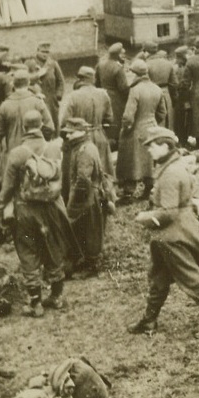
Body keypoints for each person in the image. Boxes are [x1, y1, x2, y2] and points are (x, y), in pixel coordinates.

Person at [127, 126, 199, 336]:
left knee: (190, 277)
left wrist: (144, 218)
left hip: (173, 234)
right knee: (159, 278)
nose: (150, 151)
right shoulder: (171, 165)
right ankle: (149, 320)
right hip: (174, 231)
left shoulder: (171, 173)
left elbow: (169, 212)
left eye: (153, 146)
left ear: (165, 146)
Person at [0, 109, 76, 317]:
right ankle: (56, 297)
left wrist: (0, 208)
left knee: (28, 250)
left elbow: (8, 186)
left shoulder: (18, 153)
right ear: (41, 126)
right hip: (52, 207)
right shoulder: (54, 148)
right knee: (54, 247)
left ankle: (35, 303)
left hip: (26, 210)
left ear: (23, 127)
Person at [61, 116, 112, 277]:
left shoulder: (84, 151)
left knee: (91, 231)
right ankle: (84, 260)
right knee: (84, 230)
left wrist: (74, 205)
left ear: (82, 132)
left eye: (71, 133)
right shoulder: (83, 147)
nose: (67, 136)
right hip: (88, 197)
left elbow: (83, 180)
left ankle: (91, 266)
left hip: (88, 198)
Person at [117, 59, 169, 200]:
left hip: (136, 129)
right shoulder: (156, 89)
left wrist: (126, 128)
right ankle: (149, 189)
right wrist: (153, 123)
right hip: (151, 128)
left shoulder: (135, 90)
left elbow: (128, 115)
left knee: (131, 160)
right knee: (149, 160)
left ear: (136, 74)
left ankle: (129, 192)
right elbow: (162, 112)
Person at [0, 68, 54, 181]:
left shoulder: (5, 105)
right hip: (35, 153)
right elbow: (50, 127)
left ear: (13, 85)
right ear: (28, 83)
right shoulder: (37, 102)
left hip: (13, 152)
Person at [58, 66, 115, 178]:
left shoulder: (72, 96)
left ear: (80, 79)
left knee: (79, 174)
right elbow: (109, 119)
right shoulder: (103, 94)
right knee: (101, 174)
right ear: (93, 79)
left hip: (78, 139)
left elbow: (64, 123)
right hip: (99, 136)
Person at [96, 43, 130, 144]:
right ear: (118, 55)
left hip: (103, 97)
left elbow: (97, 83)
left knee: (107, 122)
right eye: (122, 54)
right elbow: (123, 88)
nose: (123, 56)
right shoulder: (117, 68)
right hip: (117, 100)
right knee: (117, 122)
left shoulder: (100, 64)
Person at [33, 43, 67, 129]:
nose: (45, 54)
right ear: (37, 51)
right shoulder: (31, 63)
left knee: (53, 123)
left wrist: (58, 95)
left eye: (47, 52)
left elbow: (61, 81)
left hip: (51, 100)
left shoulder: (53, 64)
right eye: (43, 52)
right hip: (36, 99)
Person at [169, 46, 192, 146]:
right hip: (182, 96)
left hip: (181, 96)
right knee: (182, 119)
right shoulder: (179, 68)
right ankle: (183, 140)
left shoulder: (176, 66)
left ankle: (183, 139)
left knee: (183, 118)